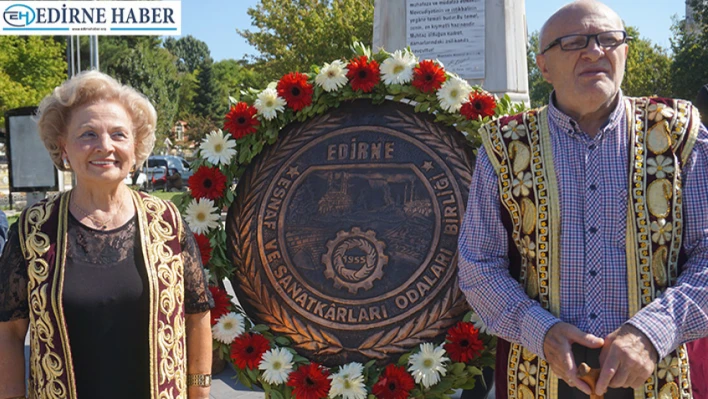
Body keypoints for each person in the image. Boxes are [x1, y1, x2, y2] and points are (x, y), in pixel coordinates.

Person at [458, 1, 708, 398]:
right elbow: (478, 264)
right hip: (538, 375)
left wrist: (652, 331)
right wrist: (540, 331)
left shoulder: (679, 135)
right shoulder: (505, 146)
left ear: (625, 52)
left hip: (660, 374)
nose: (595, 51)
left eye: (609, 40)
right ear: (542, 65)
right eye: (574, 42)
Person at [0, 71, 215, 399]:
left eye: (119, 134)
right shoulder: (33, 229)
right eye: (88, 134)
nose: (105, 147)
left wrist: (200, 392)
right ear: (64, 148)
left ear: (136, 147)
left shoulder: (167, 222)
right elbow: (10, 333)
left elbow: (197, 315)